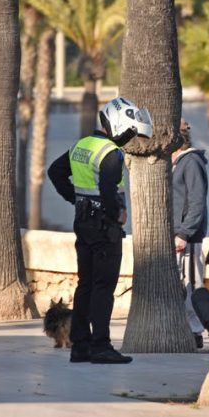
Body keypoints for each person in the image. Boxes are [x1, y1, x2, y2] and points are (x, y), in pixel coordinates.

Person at [47, 96, 153, 364]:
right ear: (118, 126)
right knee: (103, 287)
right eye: (130, 133)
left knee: (85, 284)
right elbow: (108, 190)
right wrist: (118, 213)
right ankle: (101, 346)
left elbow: (54, 171)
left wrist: (75, 198)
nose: (130, 139)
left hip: (82, 223)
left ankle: (80, 346)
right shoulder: (110, 154)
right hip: (104, 227)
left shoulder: (81, 145)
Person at [172, 119, 208, 348]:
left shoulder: (191, 162)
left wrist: (184, 233)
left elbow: (196, 202)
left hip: (187, 238)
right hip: (177, 234)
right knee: (181, 285)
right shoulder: (176, 163)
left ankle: (195, 332)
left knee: (191, 285)